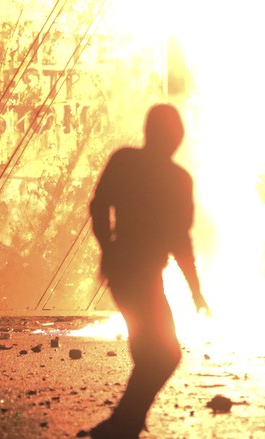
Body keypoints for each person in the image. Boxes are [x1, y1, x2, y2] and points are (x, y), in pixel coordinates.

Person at [87, 104, 209, 439]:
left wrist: (109, 246)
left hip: (128, 270)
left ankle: (126, 422)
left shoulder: (125, 161)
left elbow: (99, 204)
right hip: (138, 273)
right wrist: (195, 290)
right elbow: (180, 240)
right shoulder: (176, 178)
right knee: (164, 353)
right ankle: (122, 423)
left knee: (149, 351)